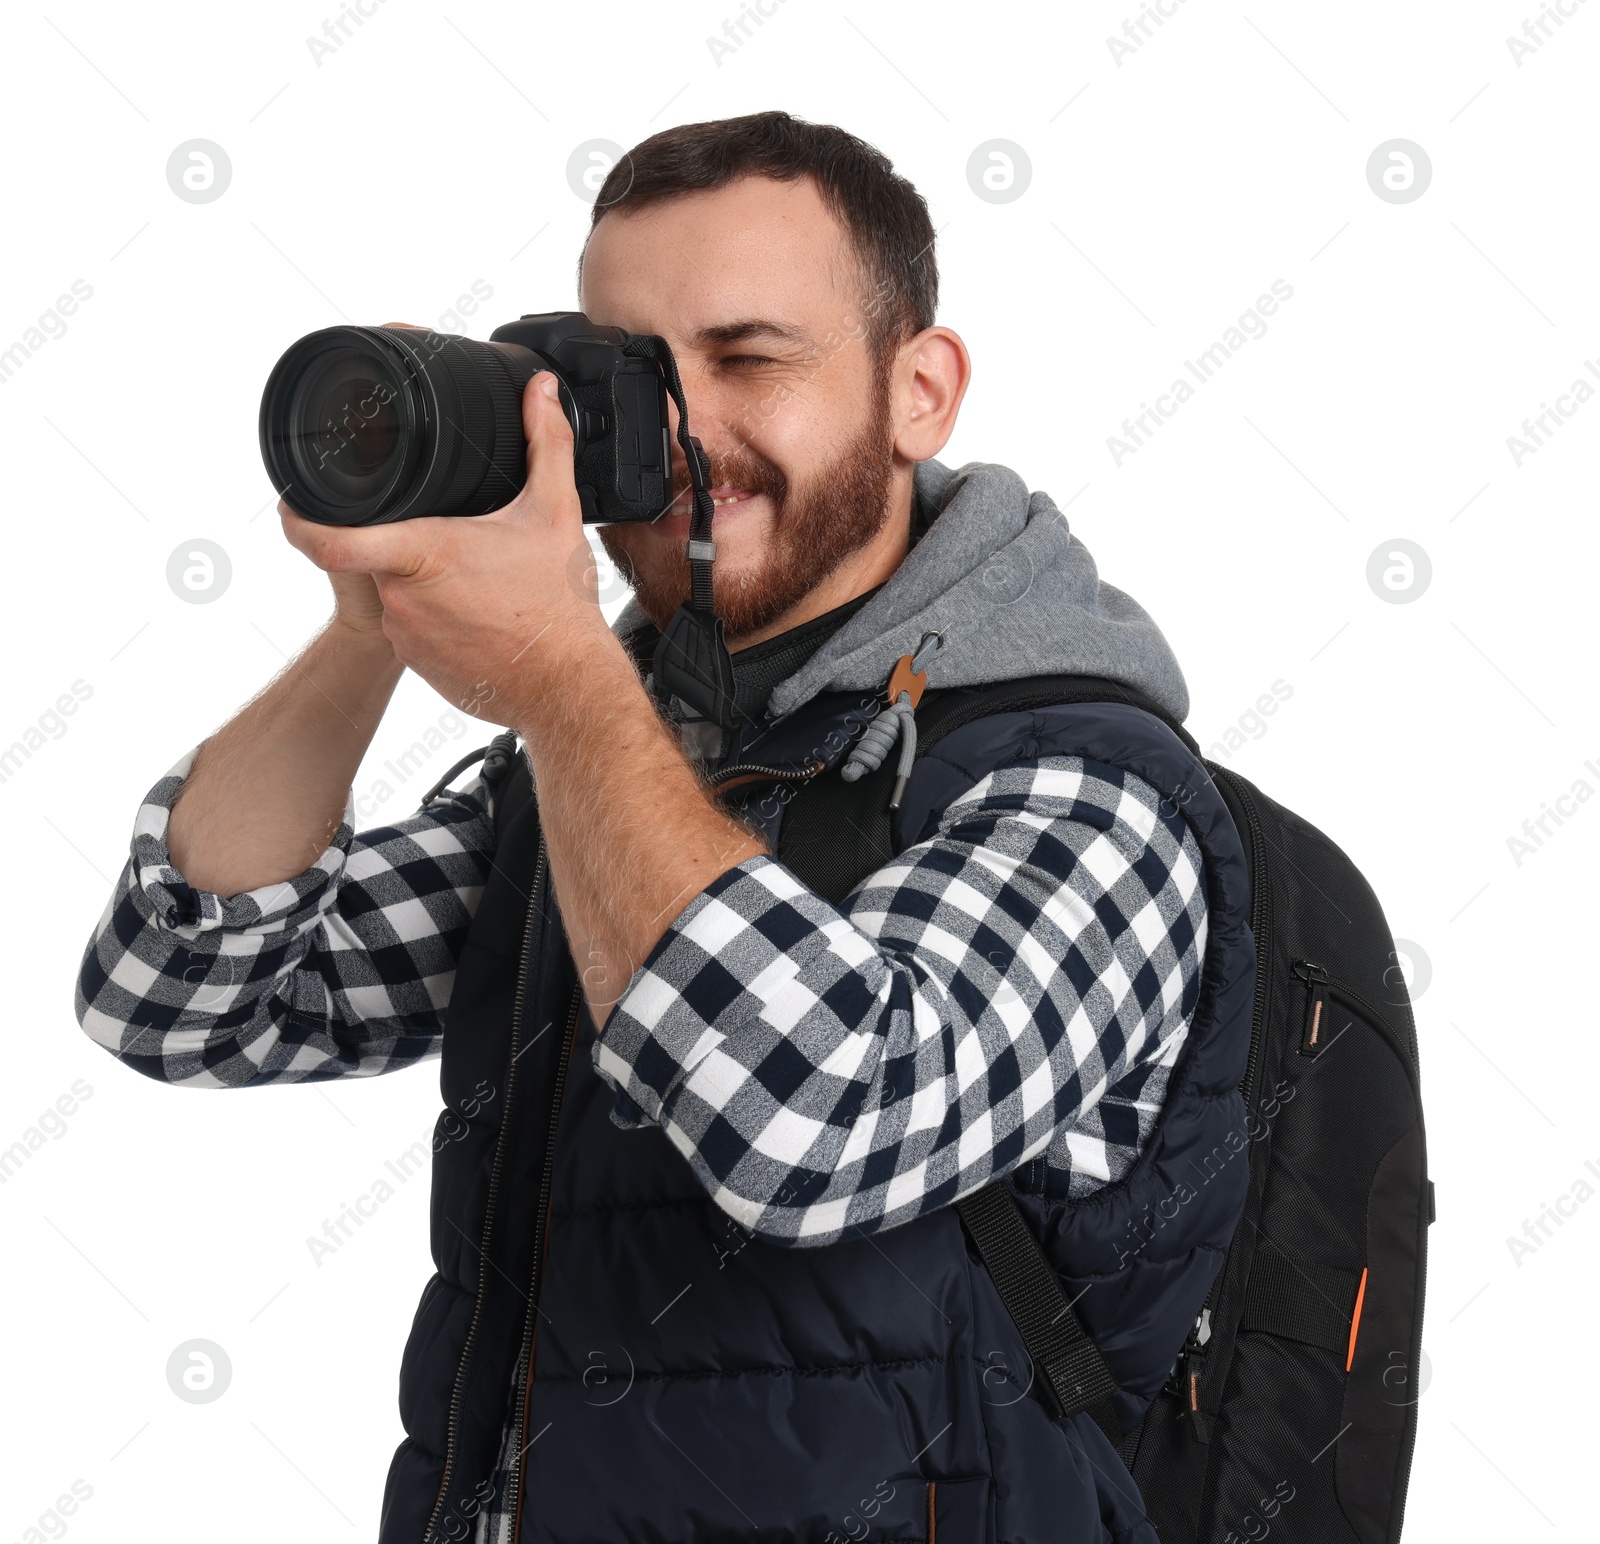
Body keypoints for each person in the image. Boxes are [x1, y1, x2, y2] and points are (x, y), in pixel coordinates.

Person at [75, 111, 1250, 1544]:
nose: (678, 435)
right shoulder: (622, 761)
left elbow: (820, 1126)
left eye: (749, 358)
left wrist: (565, 675)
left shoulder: (1087, 785)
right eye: (626, 376)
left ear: (920, 389)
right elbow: (186, 997)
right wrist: (375, 610)